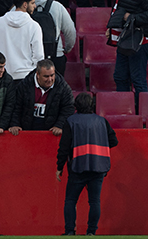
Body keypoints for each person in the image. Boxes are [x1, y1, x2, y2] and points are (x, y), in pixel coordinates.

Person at [56, 92, 118, 237]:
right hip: (98, 166)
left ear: (76, 105)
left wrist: (59, 167)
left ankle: (70, 231)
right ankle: (91, 232)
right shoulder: (102, 121)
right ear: (92, 105)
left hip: (78, 166)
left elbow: (64, 147)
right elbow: (114, 141)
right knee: (94, 201)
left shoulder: (71, 121)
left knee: (71, 200)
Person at [23, 0, 76, 76]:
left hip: (29, 57)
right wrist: (67, 49)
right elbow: (70, 31)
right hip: (55, 56)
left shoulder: (22, 6)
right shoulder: (57, 6)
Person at [0, 0, 44, 81]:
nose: (35, 6)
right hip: (25, 75)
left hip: (2, 75)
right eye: (32, 3)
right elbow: (38, 56)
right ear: (25, 5)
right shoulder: (34, 26)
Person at [9, 59, 75, 136]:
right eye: (46, 76)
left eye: (52, 75)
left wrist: (59, 125)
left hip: (50, 134)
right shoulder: (24, 85)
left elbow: (68, 108)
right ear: (37, 74)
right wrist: (15, 124)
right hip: (27, 131)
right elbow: (16, 106)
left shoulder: (63, 88)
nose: (50, 79)